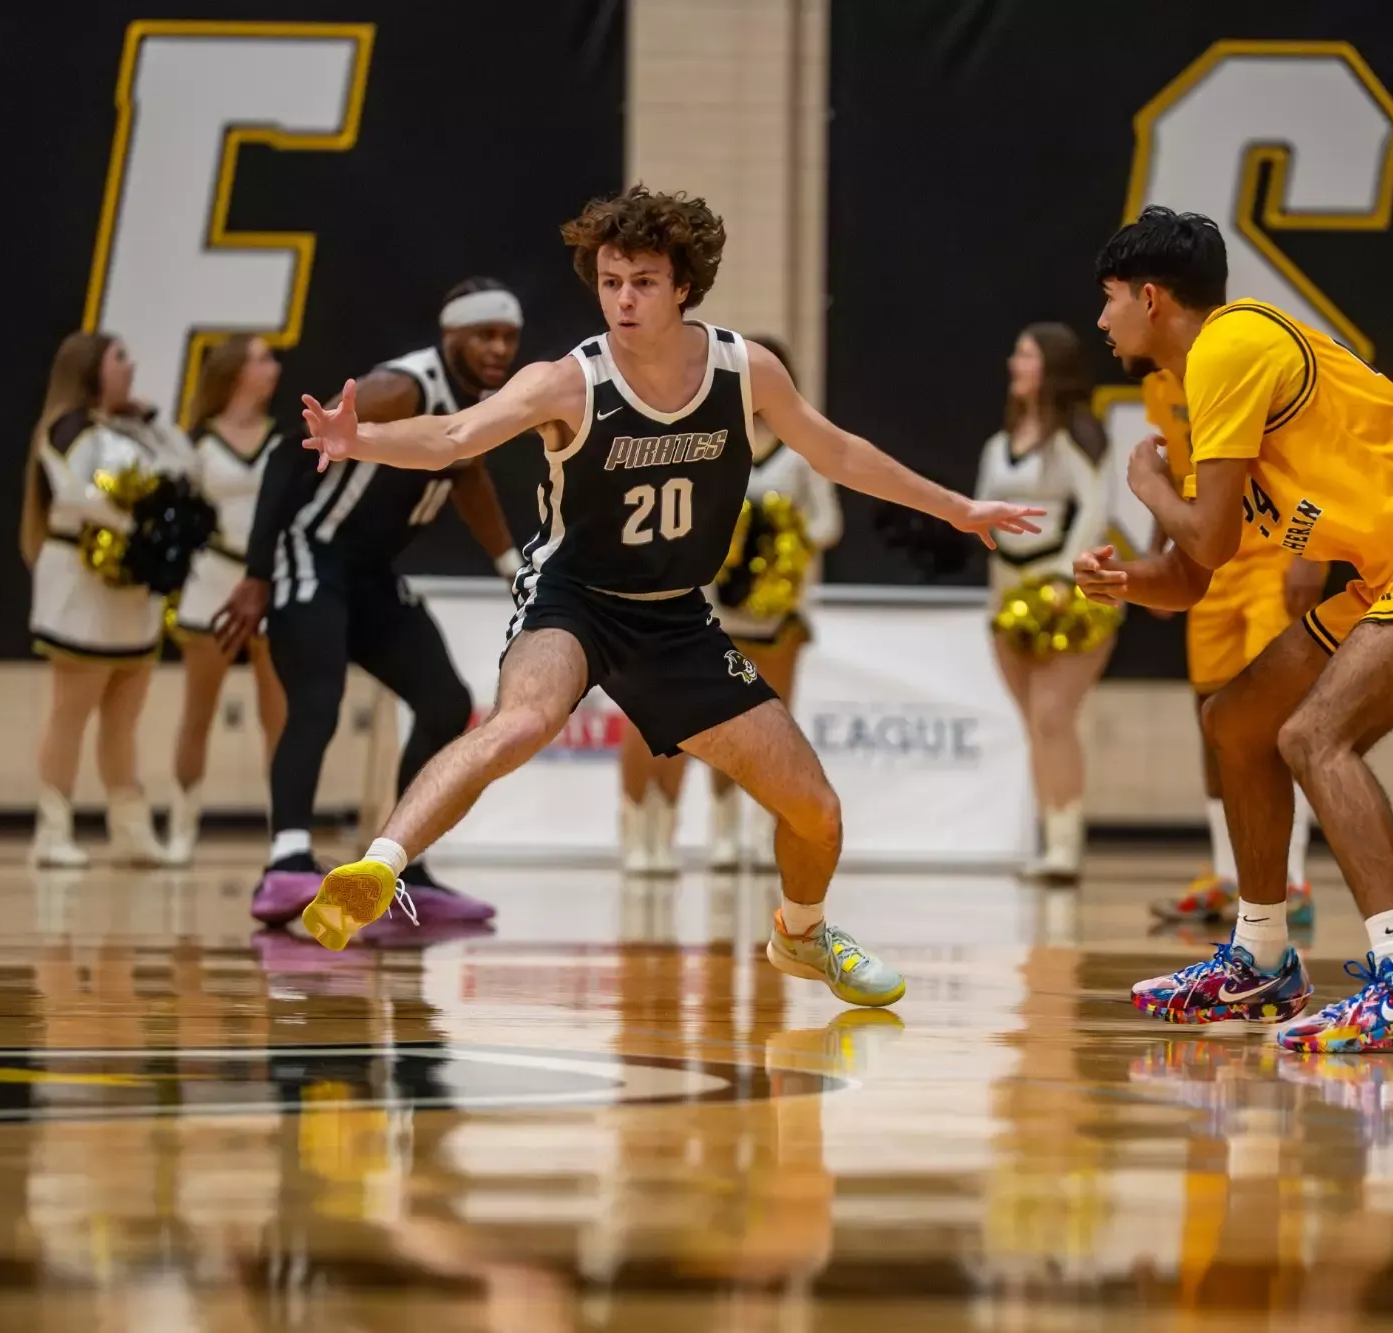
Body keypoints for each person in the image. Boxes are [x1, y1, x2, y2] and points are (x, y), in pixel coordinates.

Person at [290, 185, 1042, 1008]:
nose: (623, 299)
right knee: (522, 720)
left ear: (684, 283)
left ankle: (803, 931)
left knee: (817, 811)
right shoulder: (566, 381)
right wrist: (357, 437)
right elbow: (455, 435)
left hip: (676, 613)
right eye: (611, 281)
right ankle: (381, 863)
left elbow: (839, 453)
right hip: (573, 598)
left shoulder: (742, 368)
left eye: (643, 281)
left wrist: (959, 507)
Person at [1077, 207, 1393, 1051]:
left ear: (1151, 297)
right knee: (1234, 721)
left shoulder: (1229, 345)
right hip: (1392, 569)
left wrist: (1145, 485)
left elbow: (1205, 536)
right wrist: (1124, 581)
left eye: (1108, 300)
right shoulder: (1209, 390)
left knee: (1312, 734)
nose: (1101, 319)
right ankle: (1260, 958)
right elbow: (1191, 575)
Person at [217, 277, 527, 930]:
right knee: (318, 699)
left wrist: (510, 566)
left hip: (370, 572)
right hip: (314, 552)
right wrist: (255, 574)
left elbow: (468, 475)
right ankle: (287, 860)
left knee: (446, 701)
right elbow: (285, 456)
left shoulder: (483, 401)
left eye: (509, 337)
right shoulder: (401, 387)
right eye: (485, 336)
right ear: (452, 337)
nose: (500, 348)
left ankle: (401, 867)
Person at [614, 333, 843, 875]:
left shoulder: (802, 449)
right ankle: (650, 833)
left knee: (768, 729)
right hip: (706, 613)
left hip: (775, 614)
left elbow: (828, 523)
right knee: (699, 727)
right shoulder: (708, 441)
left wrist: (785, 535)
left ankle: (747, 830)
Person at [1137, 367, 1324, 927]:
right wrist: (1157, 560)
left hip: (1271, 556)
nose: (1105, 319)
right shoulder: (1160, 385)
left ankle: (1290, 881)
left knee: (1274, 717)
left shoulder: (1240, 362)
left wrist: (1310, 552)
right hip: (1207, 559)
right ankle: (1228, 878)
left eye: (1113, 298)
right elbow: (1175, 476)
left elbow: (1310, 457)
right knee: (1213, 717)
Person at [21, 331, 193, 868]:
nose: (131, 366)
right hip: (81, 584)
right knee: (71, 711)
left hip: (132, 589)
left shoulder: (133, 431)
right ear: (92, 368)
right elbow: (76, 493)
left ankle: (131, 828)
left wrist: (154, 420)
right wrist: (133, 518)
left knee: (124, 715)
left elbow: (188, 468)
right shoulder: (68, 428)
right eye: (121, 358)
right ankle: (52, 829)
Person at [976, 323, 1115, 882]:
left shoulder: (1075, 438)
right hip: (1006, 598)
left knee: (1054, 717)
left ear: (1051, 368)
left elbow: (1095, 507)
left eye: (1026, 354)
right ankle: (1048, 838)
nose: (1015, 362)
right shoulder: (997, 444)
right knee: (1035, 723)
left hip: (1067, 596)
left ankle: (1066, 844)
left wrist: (1065, 578)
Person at [165, 334, 289, 865]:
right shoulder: (196, 443)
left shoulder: (286, 439)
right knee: (198, 713)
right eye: (263, 359)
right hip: (213, 584)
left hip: (270, 583)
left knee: (279, 717)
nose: (274, 367)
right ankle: (181, 824)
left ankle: (284, 833)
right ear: (237, 371)